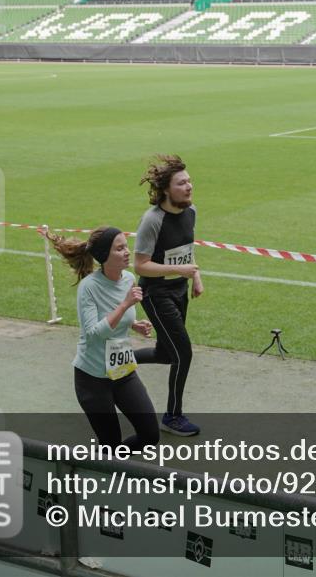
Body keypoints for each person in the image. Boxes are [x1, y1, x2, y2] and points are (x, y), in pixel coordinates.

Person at [49, 226, 159, 450]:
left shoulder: (129, 279)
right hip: (93, 379)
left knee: (150, 435)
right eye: (119, 249)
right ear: (104, 256)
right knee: (110, 444)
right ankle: (101, 464)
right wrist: (125, 304)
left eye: (126, 246)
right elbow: (93, 333)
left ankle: (111, 463)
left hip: (122, 372)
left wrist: (134, 324)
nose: (127, 252)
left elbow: (117, 319)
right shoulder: (88, 287)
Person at [133, 154, 203, 437]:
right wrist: (180, 270)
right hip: (156, 293)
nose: (189, 187)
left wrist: (195, 276)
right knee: (182, 353)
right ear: (165, 190)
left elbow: (186, 248)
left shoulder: (191, 211)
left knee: (166, 353)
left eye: (189, 181)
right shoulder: (152, 220)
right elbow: (140, 265)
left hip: (179, 290)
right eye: (181, 183)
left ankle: (116, 359)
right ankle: (172, 416)